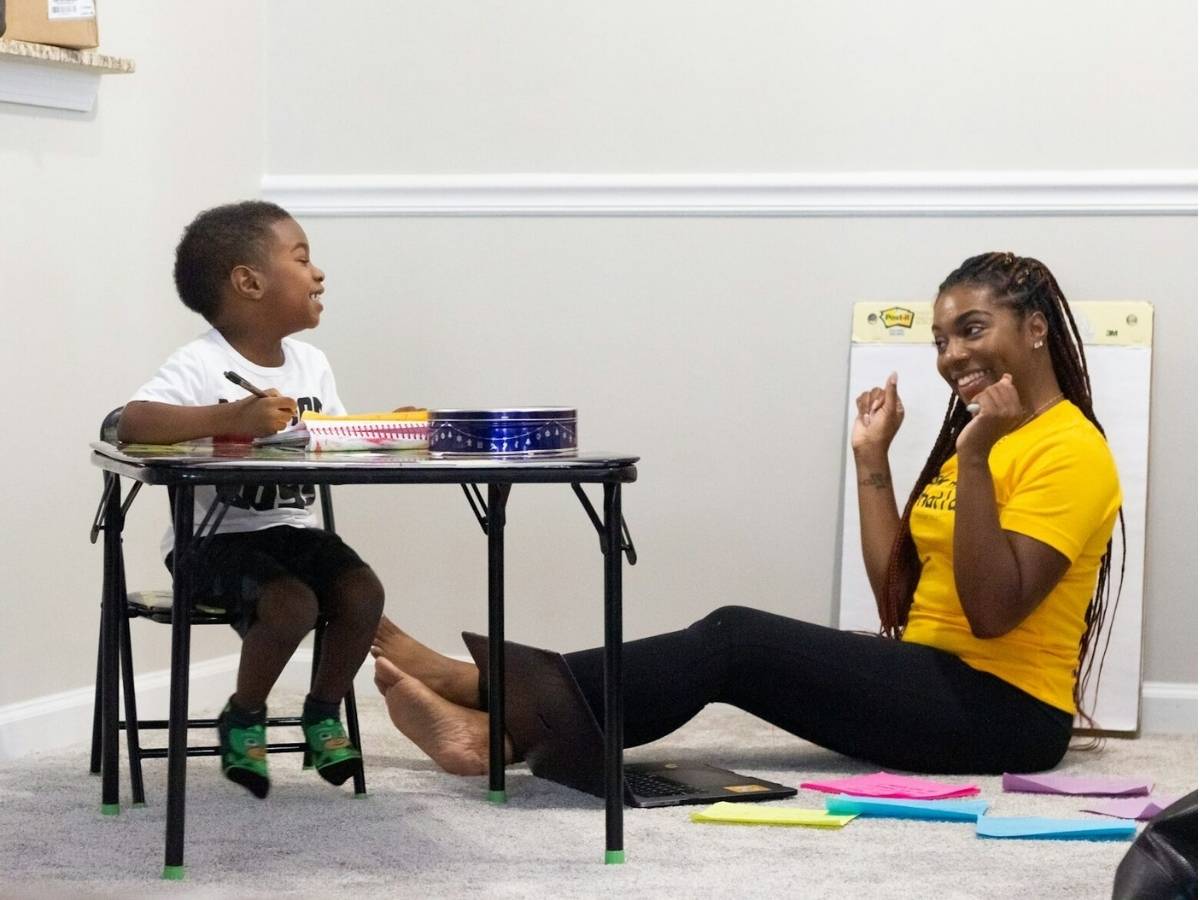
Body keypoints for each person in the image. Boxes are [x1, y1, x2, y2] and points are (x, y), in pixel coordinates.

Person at [371, 251, 1122, 776]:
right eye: (940, 339)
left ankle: (487, 706)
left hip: (1006, 716)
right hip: (937, 678)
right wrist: (871, 462)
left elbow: (992, 617)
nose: (951, 355)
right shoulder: (984, 441)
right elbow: (899, 598)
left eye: (971, 329)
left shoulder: (1069, 450)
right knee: (732, 651)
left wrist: (981, 456)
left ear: (1034, 329)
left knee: (735, 638)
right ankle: (495, 715)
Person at [118, 200, 385, 798]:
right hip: (213, 542)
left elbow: (334, 441)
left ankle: (322, 712)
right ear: (249, 282)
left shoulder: (312, 364)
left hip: (294, 532)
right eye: (302, 258)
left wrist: (375, 433)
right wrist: (233, 417)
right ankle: (244, 714)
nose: (319, 274)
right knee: (290, 605)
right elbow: (131, 420)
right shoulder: (201, 362)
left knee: (362, 592)